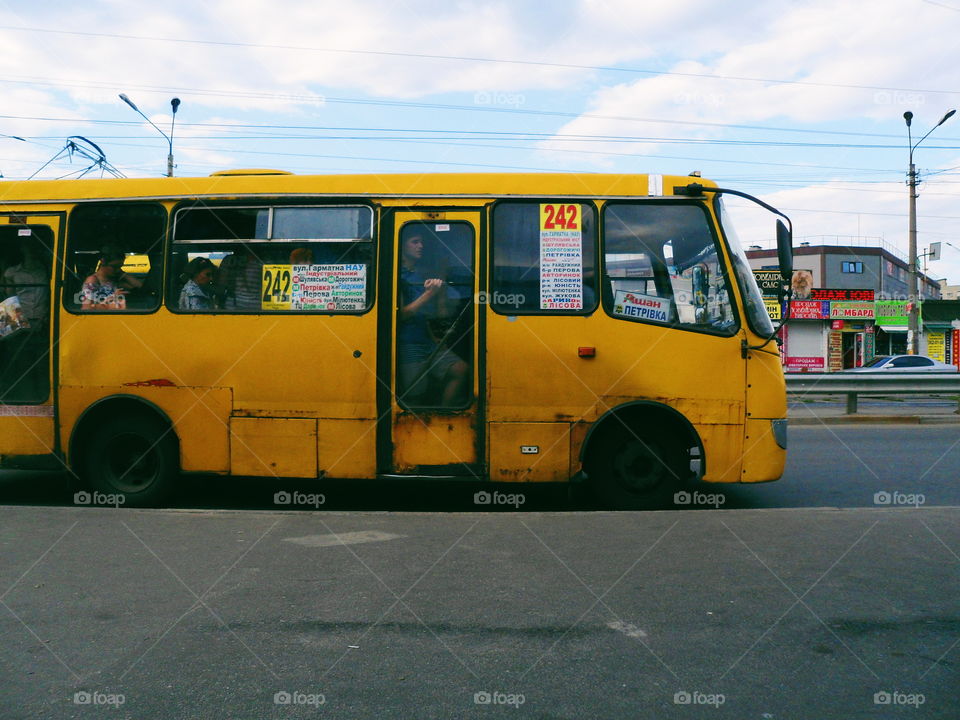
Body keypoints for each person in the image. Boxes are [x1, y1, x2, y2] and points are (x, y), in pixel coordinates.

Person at [397, 232, 468, 406]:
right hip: (408, 343)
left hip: (427, 341)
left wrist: (434, 339)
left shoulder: (416, 275)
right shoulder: (398, 276)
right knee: (416, 394)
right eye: (415, 241)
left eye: (421, 242)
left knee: (461, 370)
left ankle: (444, 416)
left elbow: (422, 315)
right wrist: (430, 294)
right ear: (402, 246)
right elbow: (402, 314)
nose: (420, 246)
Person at [216, 245, 263, 310]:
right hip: (257, 305)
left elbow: (221, 285)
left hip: (233, 305)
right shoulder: (263, 262)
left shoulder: (228, 260)